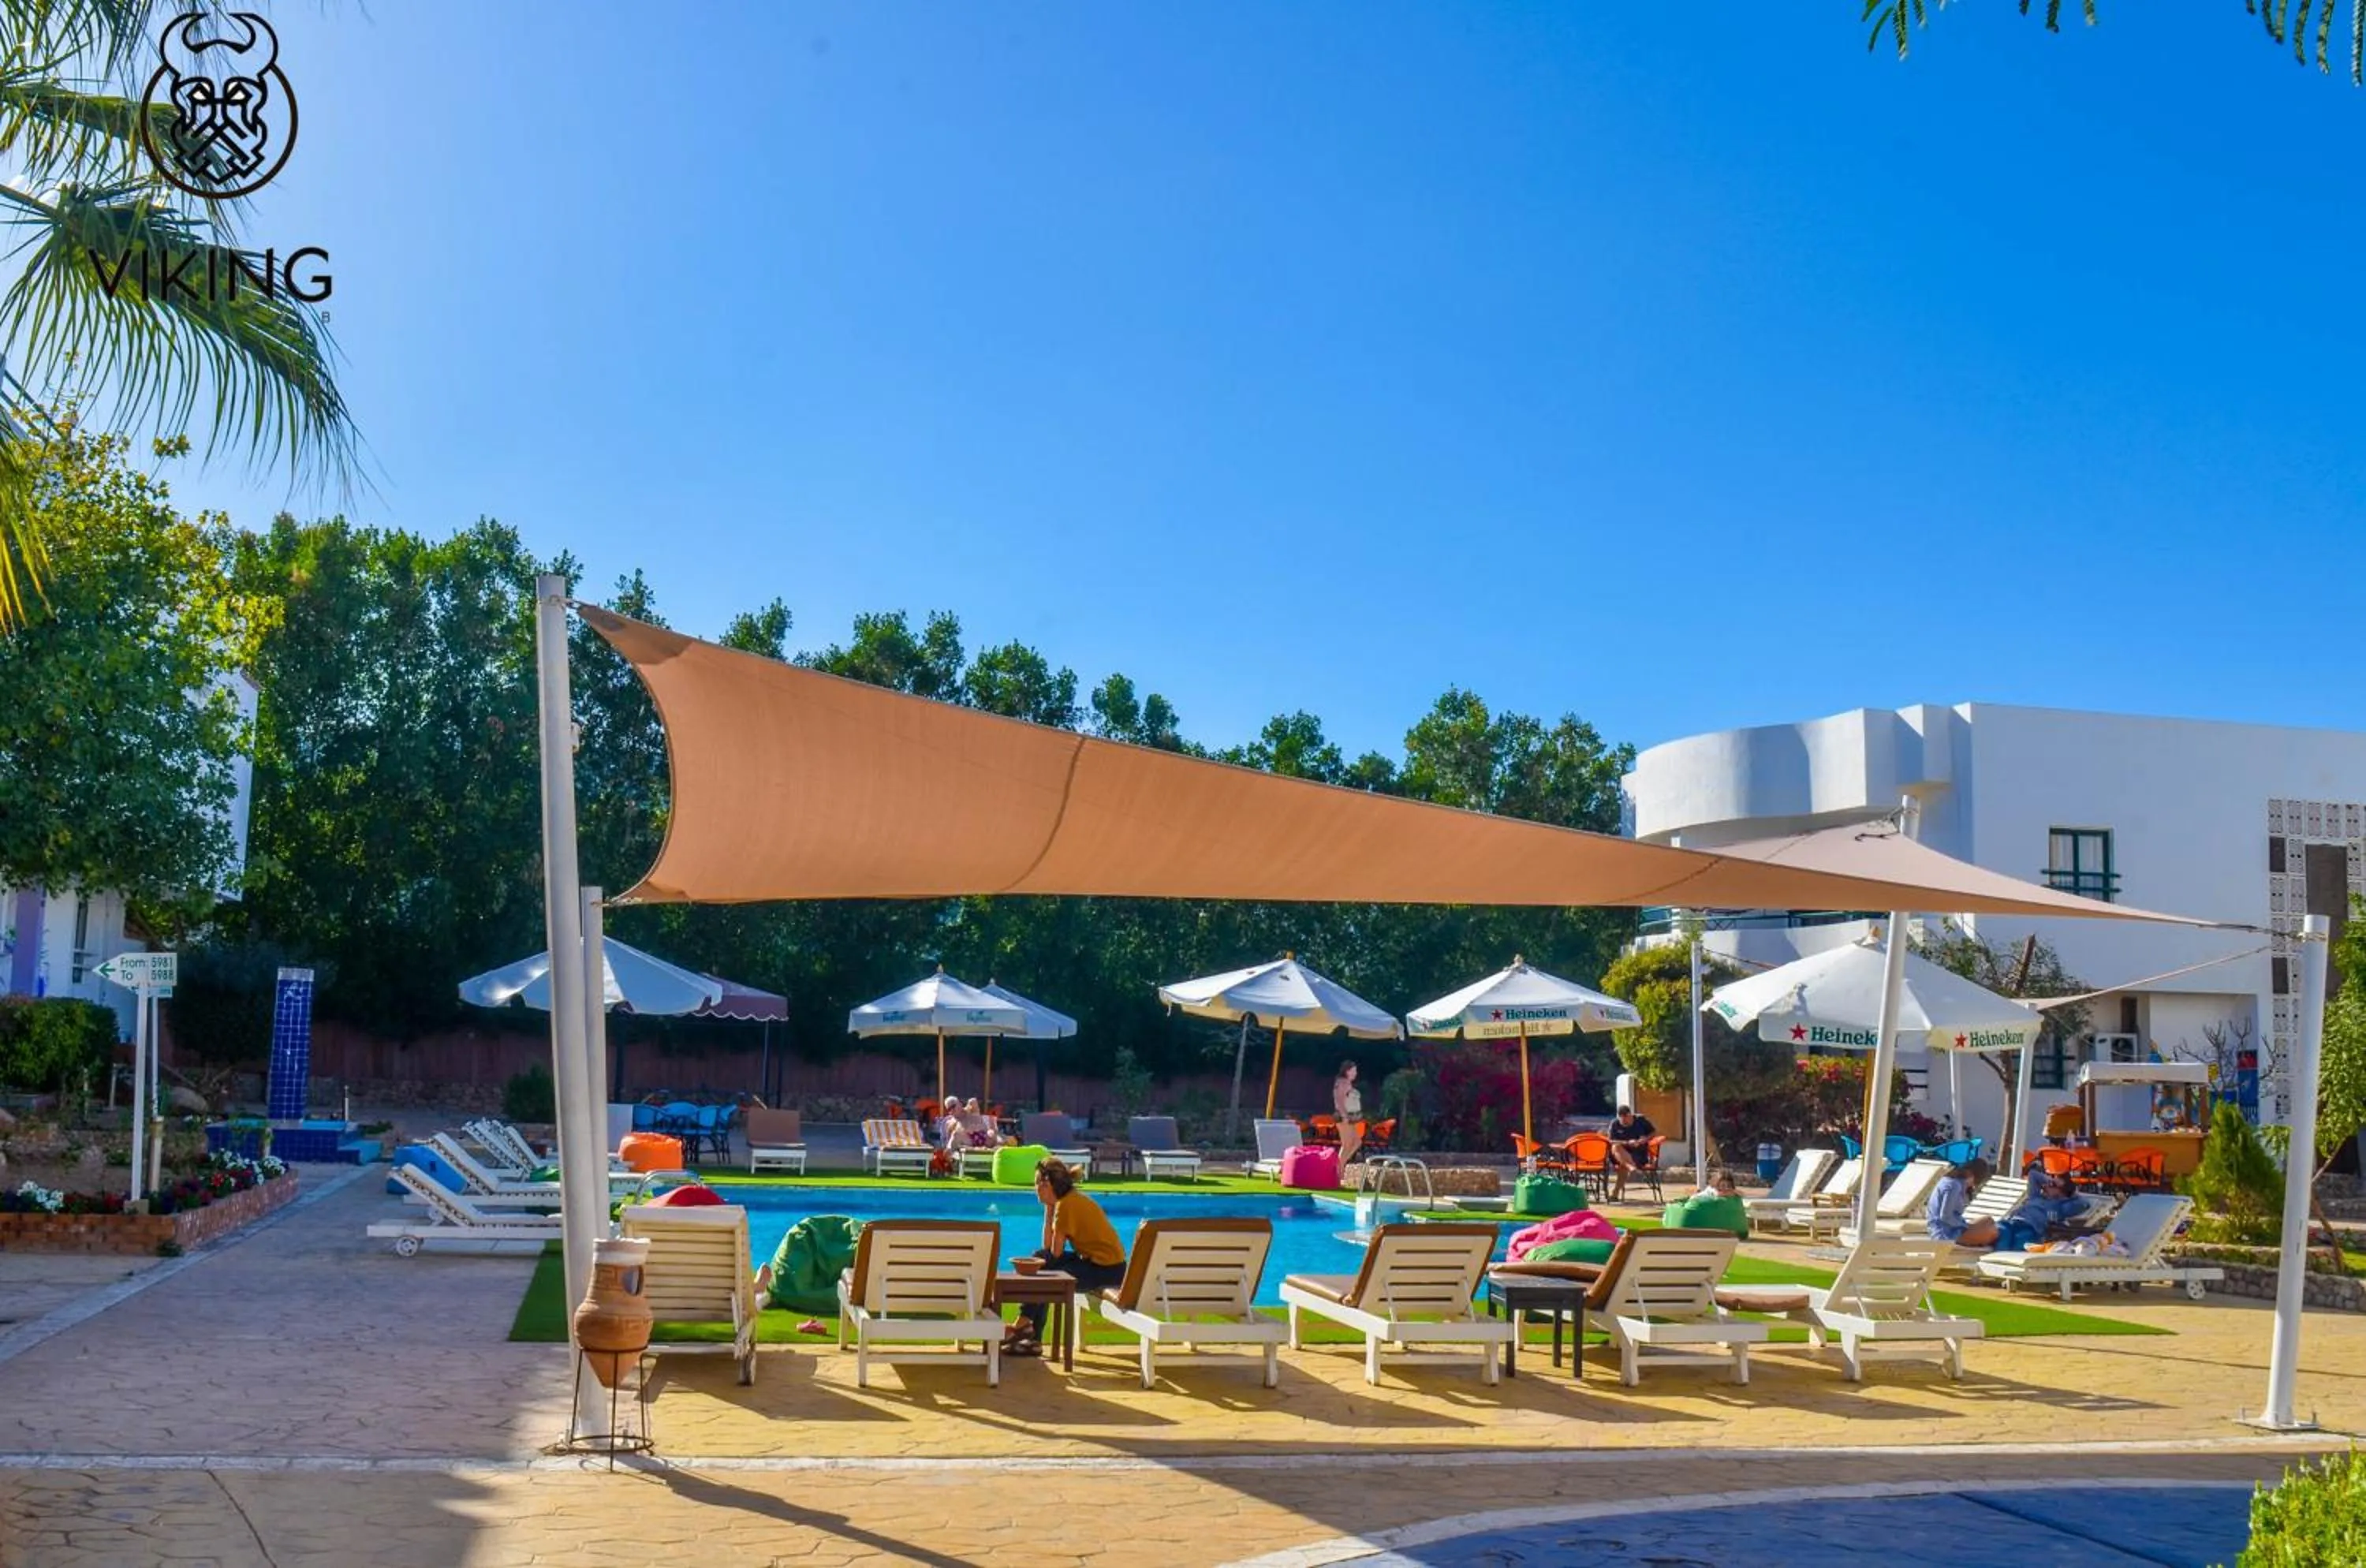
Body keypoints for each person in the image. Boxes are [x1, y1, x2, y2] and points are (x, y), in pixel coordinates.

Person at [1006, 1159, 1126, 1357]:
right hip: (1105, 1266)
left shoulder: (1066, 1206)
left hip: (1105, 1272)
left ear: (1051, 1185)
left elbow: (1054, 1252)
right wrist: (1049, 1209)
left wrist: (1051, 1211)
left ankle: (1025, 1327)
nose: (1036, 1188)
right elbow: (1050, 1251)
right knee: (1041, 1263)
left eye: (1040, 1184)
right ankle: (1028, 1330)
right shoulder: (1070, 1200)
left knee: (1043, 1269)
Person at [1992, 1171, 2095, 1253]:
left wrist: (2072, 1193)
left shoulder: (2061, 1207)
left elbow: (2084, 1203)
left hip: (2031, 1229)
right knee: (2001, 1231)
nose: (2046, 1185)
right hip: (2012, 1222)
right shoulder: (2035, 1196)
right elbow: (2033, 1175)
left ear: (2062, 1193)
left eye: (2052, 1185)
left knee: (2014, 1241)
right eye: (2049, 1183)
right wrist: (2051, 1180)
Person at [1926, 1157, 1997, 1247]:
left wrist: (1964, 1225)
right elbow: (1945, 1216)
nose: (1972, 1186)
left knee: (1988, 1220)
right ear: (1974, 1176)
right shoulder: (1954, 1186)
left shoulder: (1949, 1180)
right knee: (1994, 1232)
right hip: (1946, 1235)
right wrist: (1964, 1226)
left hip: (1948, 1229)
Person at [1607, 1104, 1656, 1200]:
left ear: (1630, 1115)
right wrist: (1627, 1143)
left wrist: (1644, 1140)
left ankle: (1615, 1194)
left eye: (1627, 1120)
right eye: (1622, 1121)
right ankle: (1631, 1167)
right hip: (1619, 1154)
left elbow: (1653, 1132)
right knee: (1616, 1147)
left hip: (1638, 1154)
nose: (1625, 1122)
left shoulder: (1641, 1120)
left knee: (1623, 1165)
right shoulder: (1615, 1124)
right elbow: (1610, 1140)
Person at [1334, 1061, 1364, 1166]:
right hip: (1343, 1117)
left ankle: (1340, 1165)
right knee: (1347, 1144)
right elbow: (1339, 1100)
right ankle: (1338, 1169)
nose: (1356, 1073)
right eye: (1353, 1071)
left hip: (1349, 1118)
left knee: (1356, 1142)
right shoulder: (1343, 1083)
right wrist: (1344, 1116)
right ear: (1347, 1071)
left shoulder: (1347, 1082)